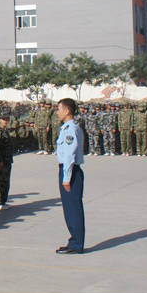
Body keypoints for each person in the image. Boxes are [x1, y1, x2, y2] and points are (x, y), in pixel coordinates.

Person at [55, 98, 85, 254]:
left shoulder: (70, 130)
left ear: (67, 111)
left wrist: (66, 178)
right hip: (69, 170)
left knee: (72, 209)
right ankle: (75, 241)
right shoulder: (68, 128)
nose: (57, 113)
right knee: (70, 208)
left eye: (59, 109)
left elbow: (69, 156)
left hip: (70, 170)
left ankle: (76, 244)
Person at [0, 113, 14, 211]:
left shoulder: (4, 131)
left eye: (6, 119)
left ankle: (3, 201)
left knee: (5, 181)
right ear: (0, 120)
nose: (5, 121)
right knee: (1, 181)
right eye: (3, 119)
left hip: (7, 160)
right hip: (2, 161)